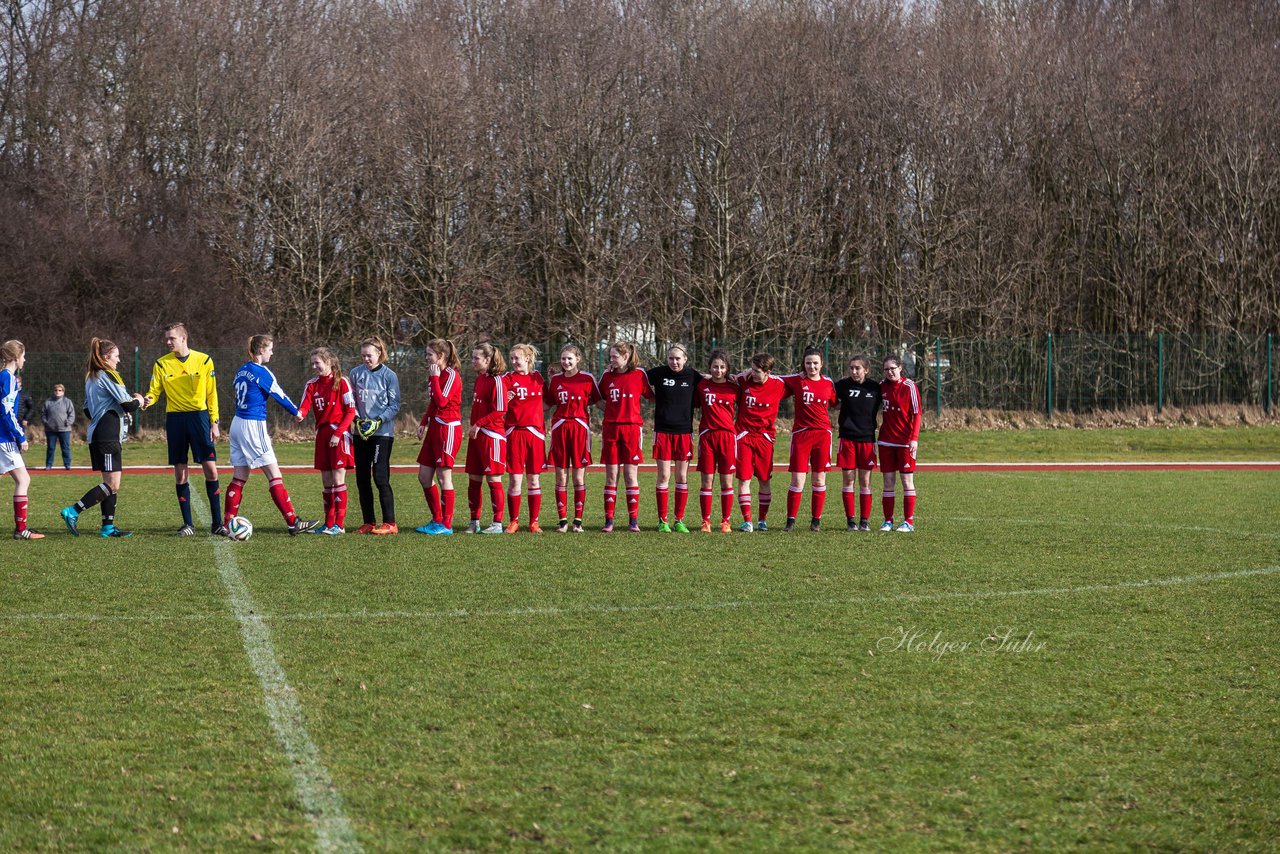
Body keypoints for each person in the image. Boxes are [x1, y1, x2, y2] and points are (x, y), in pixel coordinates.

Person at [222, 335, 319, 535]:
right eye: (270, 349)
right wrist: (297, 412)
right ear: (260, 350)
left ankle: (227, 524)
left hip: (236, 424)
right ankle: (293, 522)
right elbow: (279, 394)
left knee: (239, 477)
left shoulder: (242, 369)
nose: (272, 352)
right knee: (274, 475)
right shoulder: (261, 372)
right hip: (253, 424)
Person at [142, 322, 225, 536]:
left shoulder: (204, 360)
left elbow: (211, 394)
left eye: (172, 338)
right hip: (176, 420)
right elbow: (154, 392)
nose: (168, 342)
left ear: (183, 339)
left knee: (211, 469)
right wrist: (145, 401)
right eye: (166, 339)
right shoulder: (161, 364)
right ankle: (188, 524)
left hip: (199, 418)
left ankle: (217, 523)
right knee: (180, 472)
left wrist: (214, 422)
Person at [59, 338, 144, 537]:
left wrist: (115, 410)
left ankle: (107, 527)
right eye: (116, 356)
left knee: (110, 483)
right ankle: (72, 511)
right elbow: (128, 404)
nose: (119, 360)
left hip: (100, 434)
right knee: (112, 484)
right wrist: (139, 400)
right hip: (107, 436)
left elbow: (88, 410)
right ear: (106, 357)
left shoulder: (92, 377)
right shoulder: (108, 375)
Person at [295, 347, 357, 535]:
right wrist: (299, 415)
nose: (314, 366)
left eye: (317, 363)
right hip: (322, 435)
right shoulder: (312, 384)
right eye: (312, 363)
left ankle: (339, 524)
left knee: (338, 479)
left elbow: (351, 411)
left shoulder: (342, 382)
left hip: (339, 434)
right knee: (327, 481)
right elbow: (304, 407)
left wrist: (338, 433)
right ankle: (328, 524)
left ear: (329, 362)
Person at [596, 342, 653, 532]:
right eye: (610, 356)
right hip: (611, 429)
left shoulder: (639, 375)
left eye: (614, 356)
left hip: (632, 429)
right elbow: (597, 398)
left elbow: (651, 397)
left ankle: (633, 521)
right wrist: (612, 411)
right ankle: (609, 521)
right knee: (612, 476)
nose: (611, 360)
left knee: (630, 475)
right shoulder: (607, 376)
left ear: (626, 356)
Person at [780, 346, 839, 532]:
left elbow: (836, 403)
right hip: (801, 434)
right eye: (808, 363)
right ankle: (790, 521)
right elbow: (771, 379)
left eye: (815, 363)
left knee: (819, 480)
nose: (811, 367)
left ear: (821, 364)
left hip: (822, 435)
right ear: (803, 364)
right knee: (798, 480)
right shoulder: (797, 380)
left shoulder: (828, 383)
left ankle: (816, 522)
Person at [546, 345, 600, 533]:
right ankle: (562, 522)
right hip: (560, 428)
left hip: (580, 430)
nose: (566, 362)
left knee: (578, 477)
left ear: (578, 359)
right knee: (561, 476)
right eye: (563, 359)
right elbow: (546, 404)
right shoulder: (555, 380)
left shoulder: (587, 378)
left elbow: (597, 401)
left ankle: (578, 522)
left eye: (570, 358)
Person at [350, 337, 401, 534]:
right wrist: (357, 420)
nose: (365, 359)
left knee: (380, 477)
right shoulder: (355, 374)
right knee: (362, 479)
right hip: (361, 433)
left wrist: (377, 421)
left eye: (369, 355)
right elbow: (350, 400)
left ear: (379, 353)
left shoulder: (389, 376)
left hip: (382, 434)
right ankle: (368, 522)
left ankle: (390, 523)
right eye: (363, 355)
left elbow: (394, 404)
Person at [646, 344, 700, 532]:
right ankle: (663, 521)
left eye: (678, 358)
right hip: (662, 431)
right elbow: (636, 375)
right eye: (671, 358)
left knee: (682, 476)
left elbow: (713, 380)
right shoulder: (659, 373)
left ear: (685, 359)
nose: (674, 362)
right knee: (663, 476)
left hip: (684, 432)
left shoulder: (693, 376)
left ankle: (679, 520)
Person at [733, 353, 789, 533]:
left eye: (757, 371)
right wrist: (745, 371)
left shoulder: (778, 385)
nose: (753, 374)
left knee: (764, 479)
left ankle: (762, 520)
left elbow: (796, 382)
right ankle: (747, 521)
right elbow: (724, 376)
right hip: (744, 436)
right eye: (752, 369)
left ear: (768, 372)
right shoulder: (743, 380)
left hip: (765, 438)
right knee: (744, 478)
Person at [414, 339, 462, 535]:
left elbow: (442, 402)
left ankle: (446, 525)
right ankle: (437, 519)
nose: (427, 358)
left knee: (444, 477)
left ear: (441, 356)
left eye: (429, 354)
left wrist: (434, 378)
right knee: (424, 476)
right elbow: (434, 403)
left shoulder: (451, 375)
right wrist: (423, 422)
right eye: (426, 354)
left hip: (448, 429)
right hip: (434, 428)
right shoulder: (432, 374)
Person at [833, 355, 883, 531]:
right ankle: (851, 521)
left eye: (858, 368)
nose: (854, 371)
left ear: (866, 370)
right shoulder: (842, 385)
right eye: (851, 368)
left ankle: (864, 521)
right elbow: (828, 395)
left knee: (865, 480)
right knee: (848, 479)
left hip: (867, 439)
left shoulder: (876, 387)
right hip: (847, 438)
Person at [464, 343, 508, 534]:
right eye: (472, 358)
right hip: (477, 436)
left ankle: (497, 524)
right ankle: (474, 521)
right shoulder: (479, 379)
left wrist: (479, 424)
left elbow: (500, 410)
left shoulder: (497, 380)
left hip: (492, 436)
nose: (473, 361)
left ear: (488, 360)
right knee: (474, 479)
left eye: (476, 358)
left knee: (493, 479)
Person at [503, 343, 547, 533]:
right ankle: (514, 520)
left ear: (528, 359)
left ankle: (534, 522)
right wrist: (505, 399)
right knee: (515, 479)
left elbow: (549, 399)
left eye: (517, 358)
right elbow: (497, 404)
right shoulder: (507, 379)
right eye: (511, 358)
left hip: (535, 434)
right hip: (514, 433)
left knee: (534, 479)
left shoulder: (537, 377)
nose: (513, 362)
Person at [1, 340, 43, 539]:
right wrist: (20, 436)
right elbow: (6, 412)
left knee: (22, 479)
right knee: (24, 479)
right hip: (4, 438)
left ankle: (21, 529)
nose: (25, 359)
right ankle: (21, 530)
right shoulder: (7, 377)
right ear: (15, 357)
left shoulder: (6, 377)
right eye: (23, 355)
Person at [694, 350, 738, 533]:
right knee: (707, 480)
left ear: (727, 368)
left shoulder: (735, 386)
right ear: (709, 367)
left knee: (727, 481)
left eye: (722, 367)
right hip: (707, 436)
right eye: (714, 367)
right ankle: (706, 521)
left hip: (727, 436)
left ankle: (725, 521)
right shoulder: (702, 385)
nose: (718, 370)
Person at [878, 355, 921, 532]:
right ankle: (888, 521)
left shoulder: (909, 386)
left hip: (905, 441)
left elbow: (917, 413)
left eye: (893, 368)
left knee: (906, 480)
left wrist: (914, 438)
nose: (890, 372)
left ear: (900, 368)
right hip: (886, 441)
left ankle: (908, 522)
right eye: (886, 369)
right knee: (888, 481)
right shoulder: (881, 386)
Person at [42, 384, 75, 469]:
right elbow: (43, 414)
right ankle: (49, 465)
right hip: (50, 429)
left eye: (60, 390)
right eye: (56, 390)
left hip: (64, 429)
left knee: (65, 448)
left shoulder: (67, 402)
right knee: (51, 448)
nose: (58, 392)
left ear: (63, 392)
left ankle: (67, 464)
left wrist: (67, 422)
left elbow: (71, 414)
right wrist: (46, 422)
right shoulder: (48, 401)